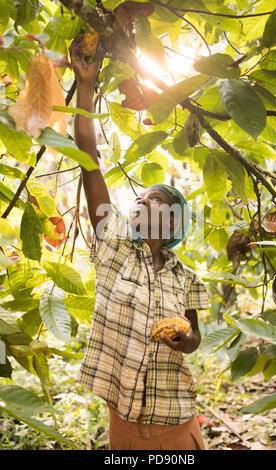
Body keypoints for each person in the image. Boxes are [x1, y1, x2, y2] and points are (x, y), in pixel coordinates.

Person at [69, 36, 209, 451]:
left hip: (176, 414)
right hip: (126, 417)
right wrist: (86, 83)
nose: (139, 201)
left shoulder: (186, 276)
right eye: (138, 197)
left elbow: (196, 336)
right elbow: (88, 158)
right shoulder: (113, 244)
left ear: (170, 222)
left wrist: (186, 341)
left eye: (154, 199)